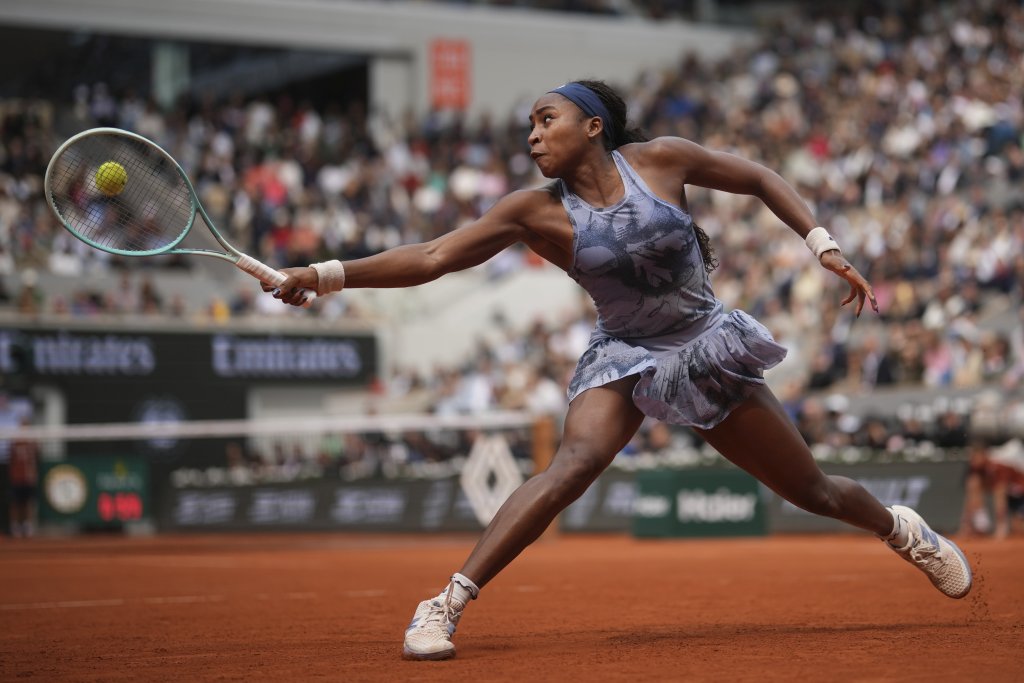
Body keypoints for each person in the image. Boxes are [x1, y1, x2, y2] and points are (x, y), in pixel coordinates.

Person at [266, 80, 974, 660]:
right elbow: (429, 257)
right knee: (572, 465)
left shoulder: (661, 160)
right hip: (624, 351)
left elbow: (759, 177)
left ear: (593, 125)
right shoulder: (532, 213)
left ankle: (899, 528)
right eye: (529, 126)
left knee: (812, 490)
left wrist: (823, 245)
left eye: (546, 120)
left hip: (703, 344)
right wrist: (322, 276)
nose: (533, 135)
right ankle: (445, 603)